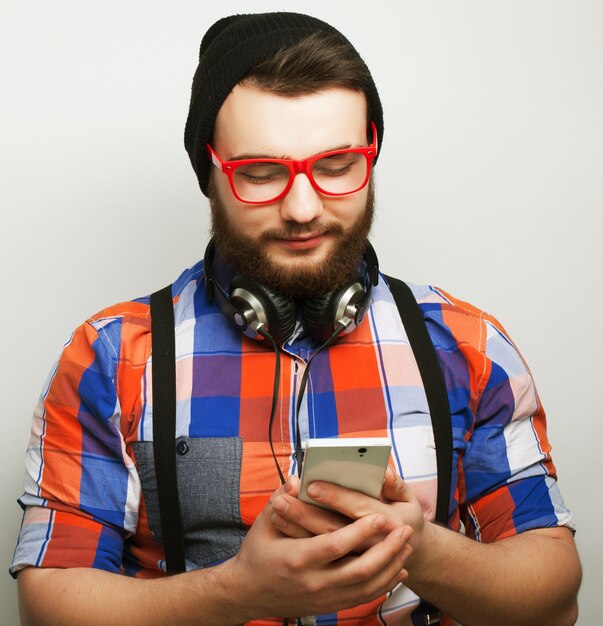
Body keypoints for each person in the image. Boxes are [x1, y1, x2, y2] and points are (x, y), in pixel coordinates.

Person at [12, 11, 581, 626]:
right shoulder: (110, 357)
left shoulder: (468, 348)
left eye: (337, 167)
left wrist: (420, 547)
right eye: (260, 173)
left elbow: (554, 599)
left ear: (372, 156)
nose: (303, 208)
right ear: (210, 173)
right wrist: (238, 592)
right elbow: (49, 607)